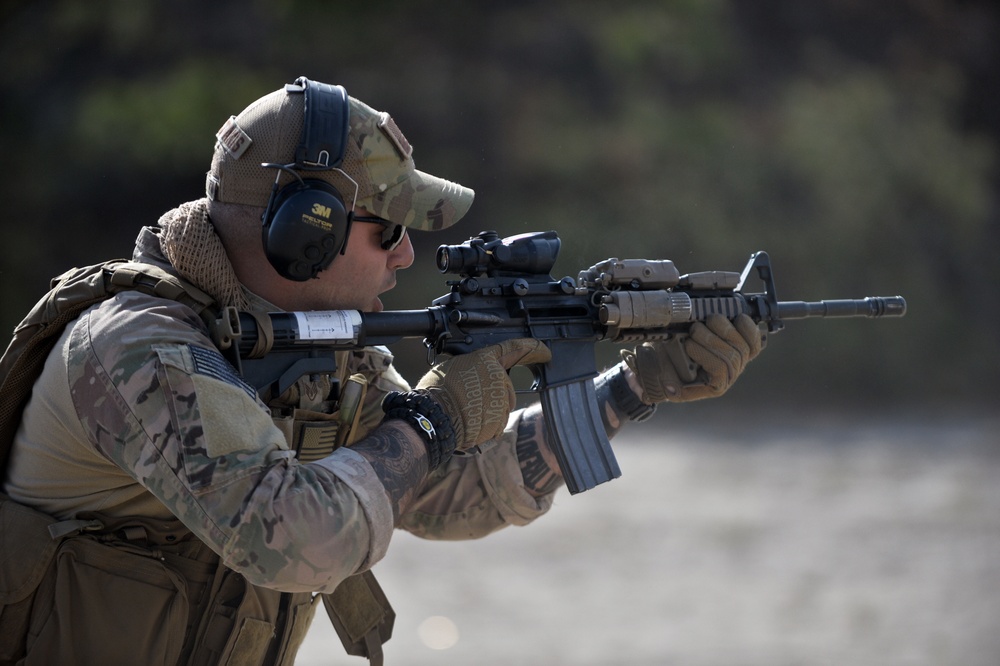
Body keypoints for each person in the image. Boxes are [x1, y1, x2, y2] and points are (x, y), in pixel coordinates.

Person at [0, 77, 762, 665]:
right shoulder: (134, 349)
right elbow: (293, 539)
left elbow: (452, 493)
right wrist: (431, 420)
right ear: (304, 234)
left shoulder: (320, 355)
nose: (405, 255)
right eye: (388, 229)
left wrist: (634, 388)